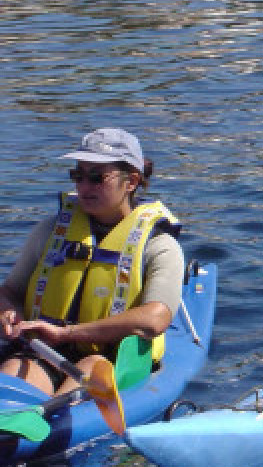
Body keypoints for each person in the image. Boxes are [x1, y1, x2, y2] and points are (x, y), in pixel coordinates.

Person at [0, 129, 184, 395]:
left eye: (97, 177)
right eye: (78, 175)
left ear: (131, 181)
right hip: (46, 352)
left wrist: (68, 333)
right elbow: (9, 292)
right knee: (14, 372)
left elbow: (154, 319)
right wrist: (9, 313)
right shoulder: (51, 231)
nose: (84, 186)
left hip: (111, 360)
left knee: (93, 368)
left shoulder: (159, 245)